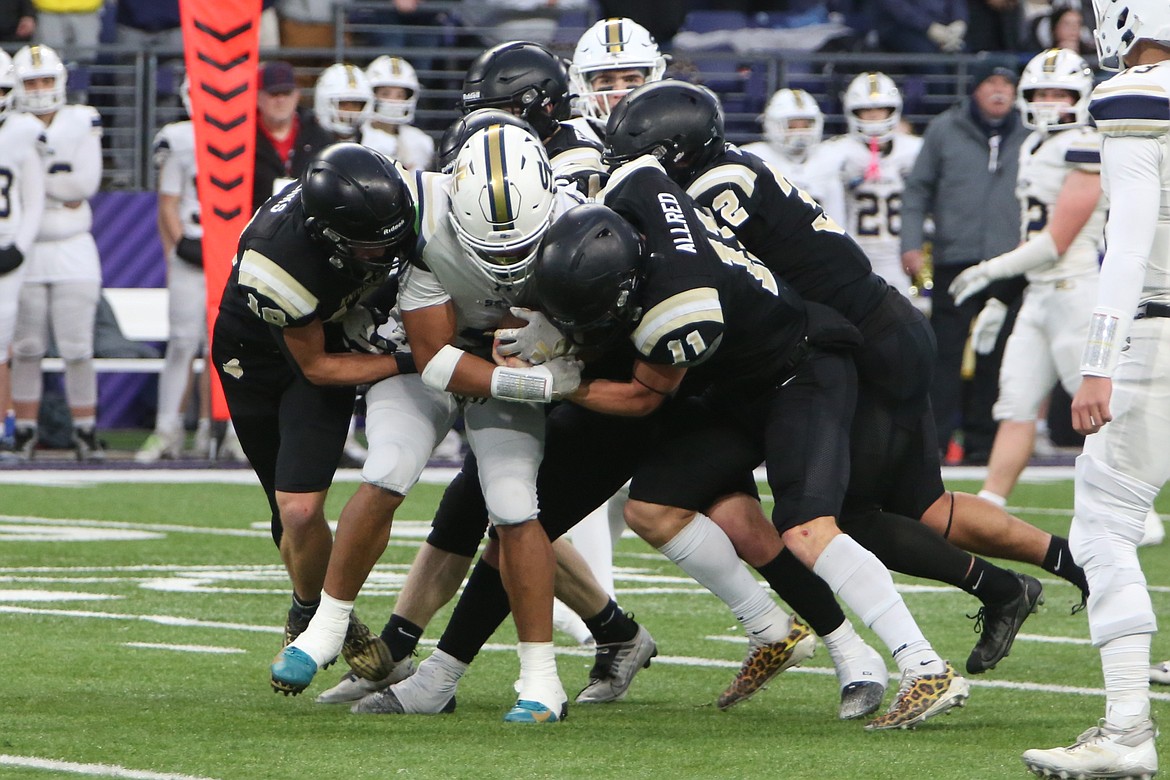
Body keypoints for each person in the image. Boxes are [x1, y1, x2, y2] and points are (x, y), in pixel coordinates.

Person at [602, 79, 1091, 685]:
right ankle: (1068, 563)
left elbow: (705, 274)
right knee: (924, 504)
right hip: (873, 328)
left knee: (847, 519)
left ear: (675, 151)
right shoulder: (730, 167)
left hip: (861, 343)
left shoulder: (713, 188)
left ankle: (994, 594)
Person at [533, 177, 970, 732]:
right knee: (653, 507)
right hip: (743, 386)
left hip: (801, 371)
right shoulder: (638, 191)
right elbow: (636, 172)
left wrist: (557, 381)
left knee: (807, 526)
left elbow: (643, 397)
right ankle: (774, 628)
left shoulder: (678, 307)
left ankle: (924, 664)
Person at [270, 124, 588, 724]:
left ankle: (542, 679)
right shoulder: (425, 219)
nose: (504, 265)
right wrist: (537, 381)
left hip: (517, 361)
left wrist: (569, 338)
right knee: (387, 466)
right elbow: (436, 358)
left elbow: (612, 306)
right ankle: (327, 626)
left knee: (516, 502)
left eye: (518, 249)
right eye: (486, 250)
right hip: (429, 356)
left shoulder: (580, 217)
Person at [211, 143, 419, 693]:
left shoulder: (388, 199)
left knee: (301, 507)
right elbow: (318, 366)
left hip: (330, 330)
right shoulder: (277, 261)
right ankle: (327, 617)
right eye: (371, 247)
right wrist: (409, 360)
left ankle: (311, 617)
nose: (387, 252)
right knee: (291, 510)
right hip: (259, 358)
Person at [1022, 2, 1168, 775]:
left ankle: (1127, 731)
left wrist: (1099, 358)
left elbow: (1133, 237)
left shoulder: (1137, 92)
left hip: (1157, 333)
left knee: (1105, 527)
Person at [948, 49, 1104, 509]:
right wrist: (1003, 298)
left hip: (1078, 290)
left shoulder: (1086, 144)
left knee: (1097, 411)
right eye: (1043, 92)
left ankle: (1128, 507)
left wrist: (990, 271)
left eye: (1061, 93)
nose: (1051, 102)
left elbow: (1056, 241)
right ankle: (990, 504)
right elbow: (1029, 234)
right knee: (1014, 404)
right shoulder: (1034, 145)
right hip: (1038, 295)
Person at [901, 53, 1029, 465]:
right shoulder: (944, 129)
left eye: (1007, 85)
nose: (1000, 92)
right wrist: (911, 243)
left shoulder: (1031, 131)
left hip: (1011, 261)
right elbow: (917, 190)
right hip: (956, 258)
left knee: (1000, 355)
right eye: (991, 83)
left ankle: (982, 443)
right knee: (944, 355)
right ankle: (933, 442)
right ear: (975, 89)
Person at [9, 43, 104, 460]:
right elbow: (61, 186)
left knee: (77, 346)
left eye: (46, 79)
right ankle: (24, 430)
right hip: (25, 250)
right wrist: (54, 184)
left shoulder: (81, 120)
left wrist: (35, 187)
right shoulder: (10, 126)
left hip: (73, 247)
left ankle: (85, 430)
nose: (41, 89)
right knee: (26, 347)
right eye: (32, 81)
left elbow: (84, 185)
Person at [136, 77, 212, 463]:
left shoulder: (248, 134)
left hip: (231, 252)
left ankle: (214, 431)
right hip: (191, 249)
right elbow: (167, 202)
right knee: (182, 343)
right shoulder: (179, 138)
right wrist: (178, 249)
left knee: (224, 348)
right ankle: (167, 430)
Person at [818, 72, 923, 298]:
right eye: (866, 111)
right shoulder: (835, 152)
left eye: (881, 110)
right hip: (855, 252)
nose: (875, 117)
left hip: (899, 254)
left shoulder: (915, 150)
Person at [0, 50, 45, 454]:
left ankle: (4, 426)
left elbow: (34, 199)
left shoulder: (23, 131)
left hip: (6, 247)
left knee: (1, 343)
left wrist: (18, 246)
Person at [566, 16, 668, 146]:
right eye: (606, 81)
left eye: (630, 79)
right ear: (586, 86)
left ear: (650, 80)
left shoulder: (672, 131)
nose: (619, 92)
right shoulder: (570, 139)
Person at [252, 60, 334, 215]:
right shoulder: (245, 140)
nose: (281, 100)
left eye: (287, 92)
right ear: (257, 97)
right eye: (274, 93)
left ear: (297, 95)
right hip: (256, 225)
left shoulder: (317, 135)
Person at [741, 87, 838, 209]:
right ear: (771, 125)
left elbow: (837, 214)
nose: (800, 133)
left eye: (806, 125)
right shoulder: (753, 158)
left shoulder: (829, 157)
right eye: (791, 126)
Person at [361, 55, 433, 172]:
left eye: (400, 95)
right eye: (385, 94)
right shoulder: (359, 138)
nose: (393, 101)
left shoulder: (421, 141)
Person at [312, 62, 374, 143]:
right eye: (342, 104)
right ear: (323, 103)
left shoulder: (375, 143)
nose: (349, 111)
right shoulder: (309, 142)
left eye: (355, 105)